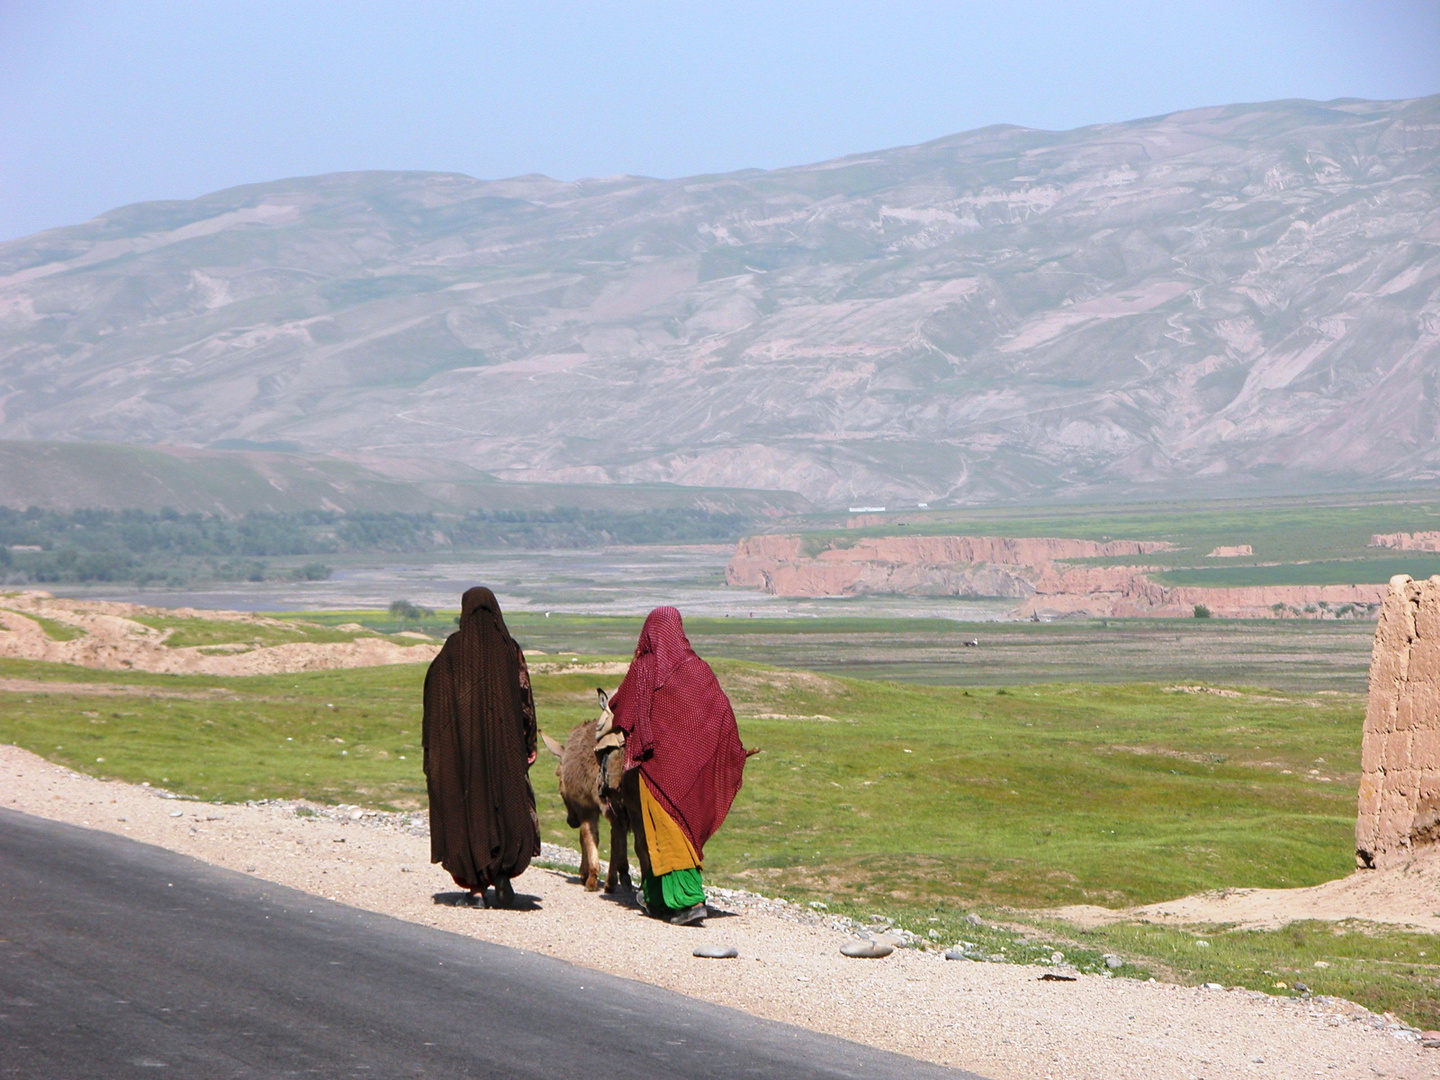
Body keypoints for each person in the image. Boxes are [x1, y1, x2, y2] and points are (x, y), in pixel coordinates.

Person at [609, 606, 749, 925]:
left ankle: (688, 900)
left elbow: (623, 711)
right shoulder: (697, 667)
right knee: (679, 832)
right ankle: (658, 898)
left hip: (656, 772)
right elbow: (721, 713)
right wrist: (726, 749)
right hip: (688, 774)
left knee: (665, 834)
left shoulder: (645, 667)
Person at [422, 586, 540, 908]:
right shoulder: (508, 648)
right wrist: (529, 742)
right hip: (506, 749)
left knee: (470, 808)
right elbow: (524, 697)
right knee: (504, 802)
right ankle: (501, 874)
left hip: (462, 752)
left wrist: (438, 748)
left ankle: (476, 889)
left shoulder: (452, 650)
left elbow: (434, 696)